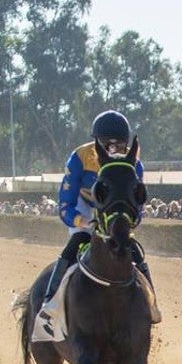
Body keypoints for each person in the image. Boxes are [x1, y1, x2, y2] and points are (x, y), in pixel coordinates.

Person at [44, 110, 151, 303]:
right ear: (96, 142)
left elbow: (138, 207)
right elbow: (65, 204)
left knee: (135, 252)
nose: (113, 150)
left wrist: (127, 223)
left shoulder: (134, 164)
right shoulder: (79, 157)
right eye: (106, 145)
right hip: (84, 207)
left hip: (113, 212)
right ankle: (48, 302)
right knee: (76, 241)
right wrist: (83, 222)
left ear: (126, 144)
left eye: (119, 145)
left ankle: (152, 304)